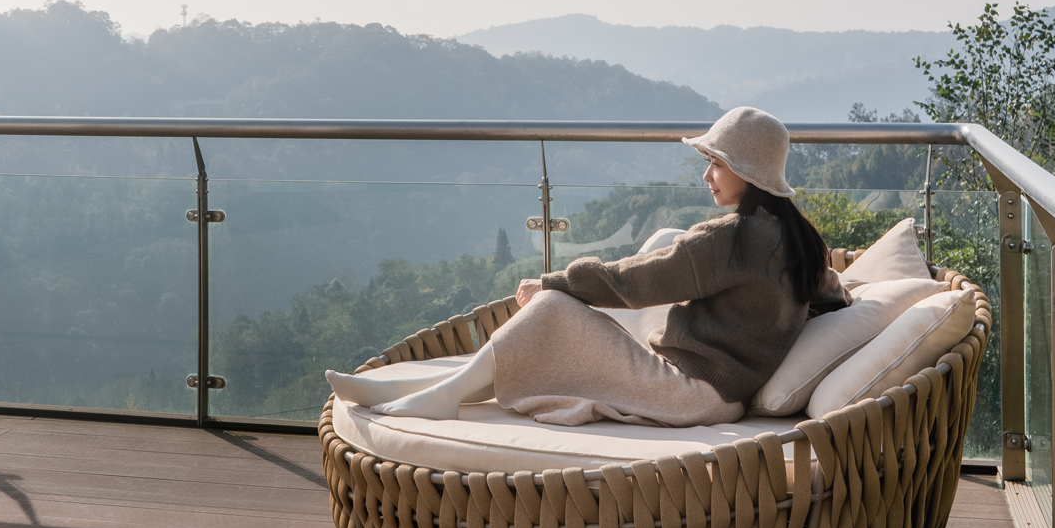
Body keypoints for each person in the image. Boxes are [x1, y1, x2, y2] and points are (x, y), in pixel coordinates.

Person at [325, 106, 845, 425]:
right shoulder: (799, 240)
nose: (706, 175)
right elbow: (834, 294)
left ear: (746, 171)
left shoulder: (732, 239)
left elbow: (635, 282)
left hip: (690, 392)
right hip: (717, 395)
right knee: (549, 339)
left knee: (553, 308)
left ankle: (443, 395)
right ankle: (420, 391)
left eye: (716, 163)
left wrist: (551, 281)